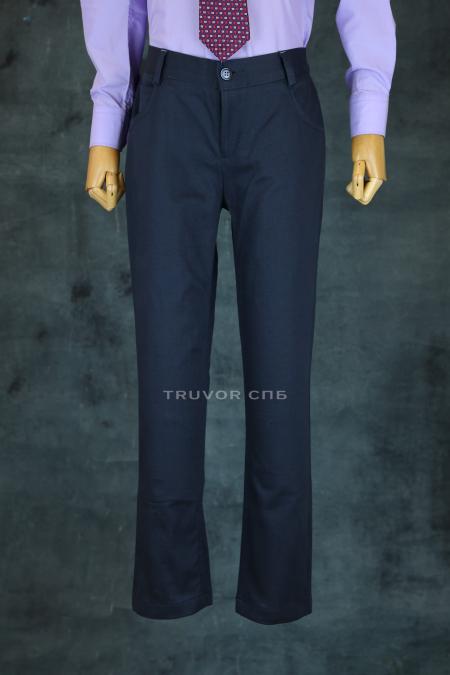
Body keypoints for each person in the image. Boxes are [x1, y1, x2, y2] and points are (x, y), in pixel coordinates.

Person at [80, 0, 396, 624]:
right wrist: (107, 119)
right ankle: (169, 587)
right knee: (167, 365)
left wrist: (370, 113)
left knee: (281, 366)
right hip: (170, 100)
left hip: (278, 102)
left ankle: (276, 590)